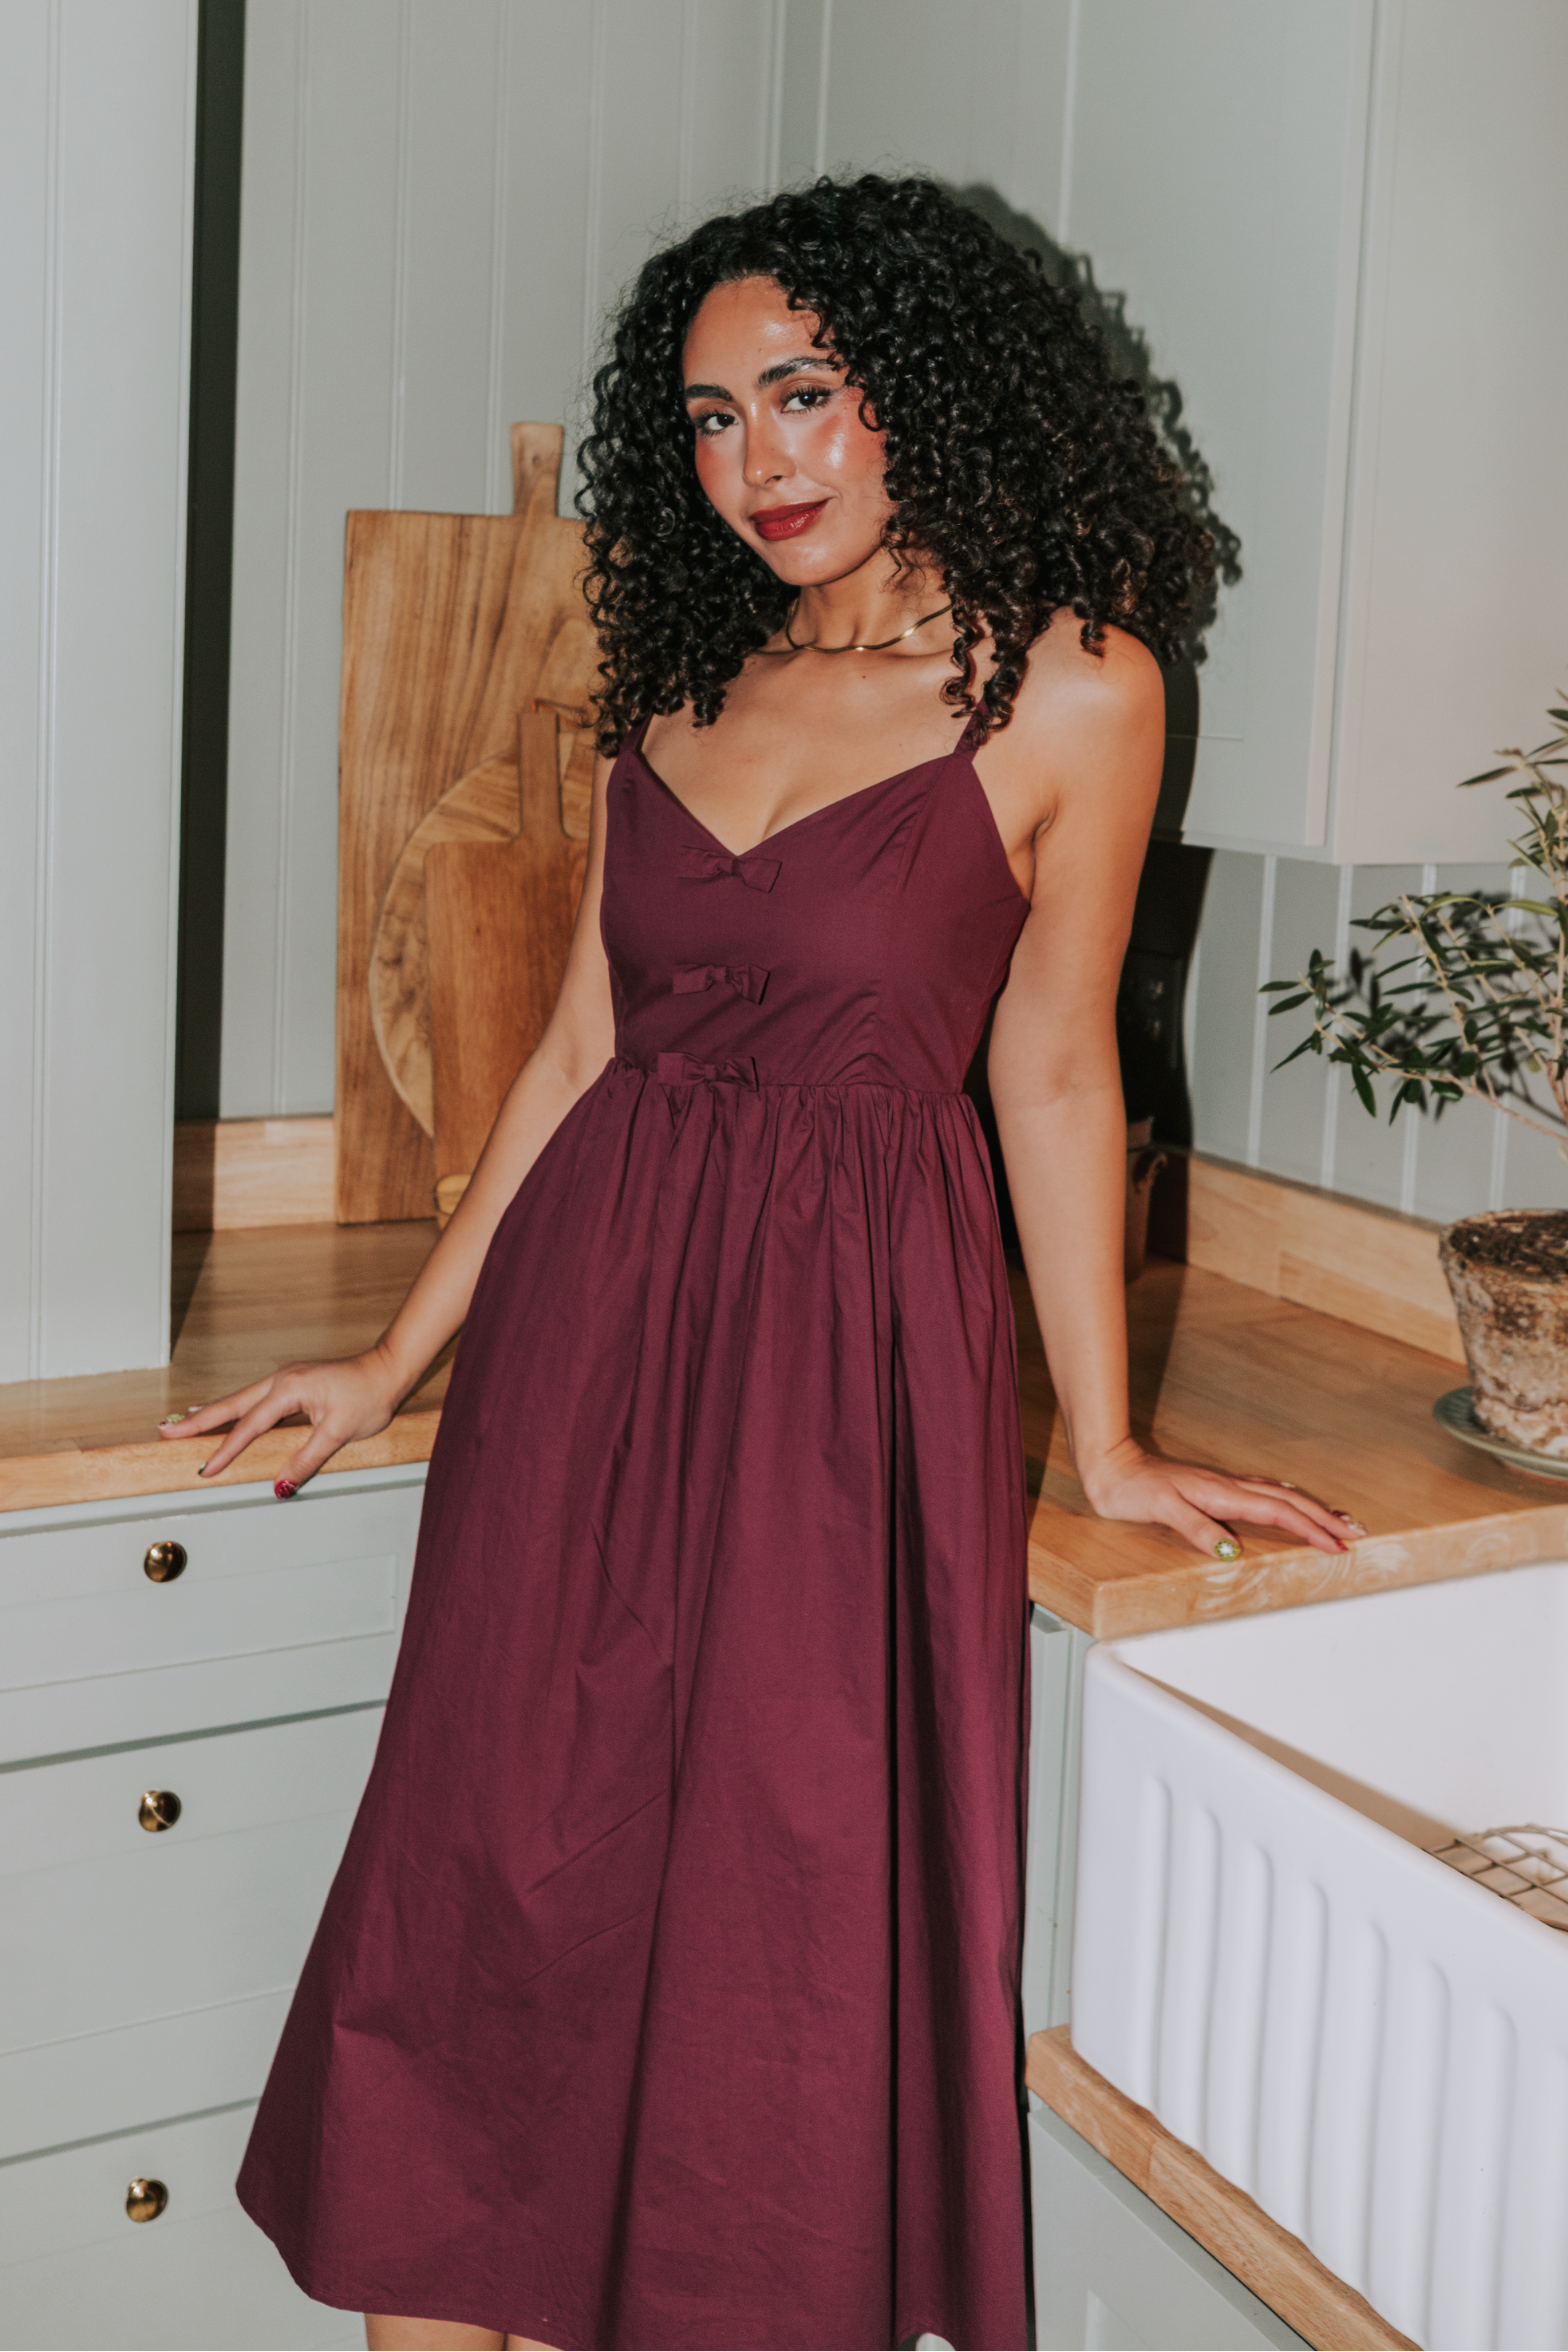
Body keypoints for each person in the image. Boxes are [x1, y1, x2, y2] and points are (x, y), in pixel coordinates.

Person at [163, 177, 1357, 2352]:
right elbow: (575, 1057)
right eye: (709, 419)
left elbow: (1057, 1074)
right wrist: (394, 1363)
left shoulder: (1069, 688)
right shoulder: (690, 681)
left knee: (752, 1948)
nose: (758, 462)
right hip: (577, 1358)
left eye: (803, 395)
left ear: (929, 390)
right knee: (491, 1918)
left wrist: (1097, 1437)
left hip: (838, 1388)